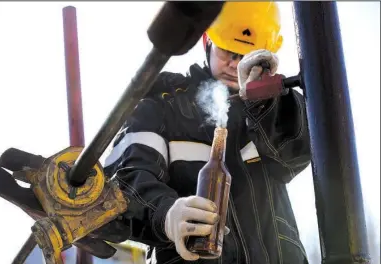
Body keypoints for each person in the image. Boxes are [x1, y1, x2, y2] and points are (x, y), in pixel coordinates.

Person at [103, 2, 311, 264]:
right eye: (228, 51)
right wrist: (166, 215)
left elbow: (294, 156)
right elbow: (126, 181)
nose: (235, 64)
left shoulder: (273, 113)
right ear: (207, 40)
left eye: (246, 56)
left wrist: (264, 101)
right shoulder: (161, 107)